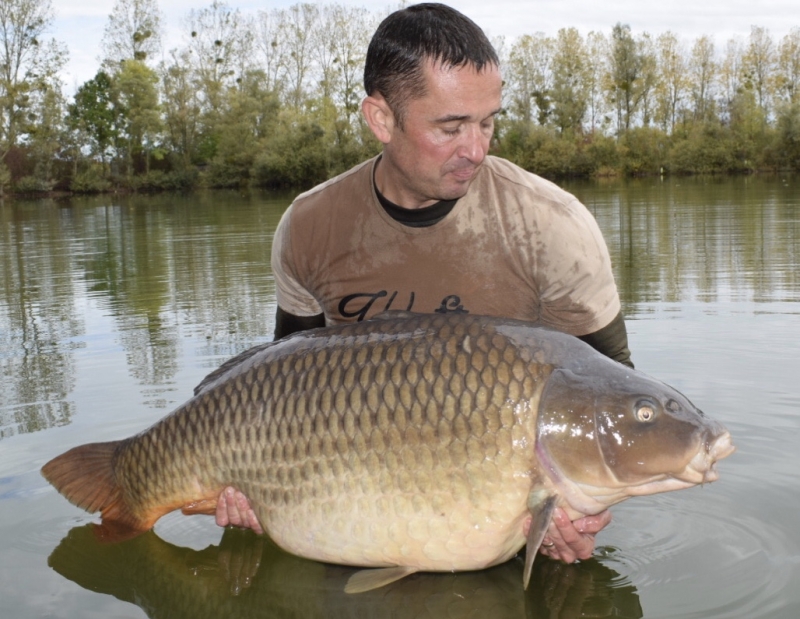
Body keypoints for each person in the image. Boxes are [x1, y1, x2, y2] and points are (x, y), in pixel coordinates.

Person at [215, 2, 632, 565]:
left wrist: (582, 508)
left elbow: (611, 396)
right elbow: (284, 378)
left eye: (487, 122)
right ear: (381, 119)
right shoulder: (309, 228)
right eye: (451, 127)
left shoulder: (553, 227)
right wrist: (250, 487)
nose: (477, 149)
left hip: (503, 506)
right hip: (356, 498)